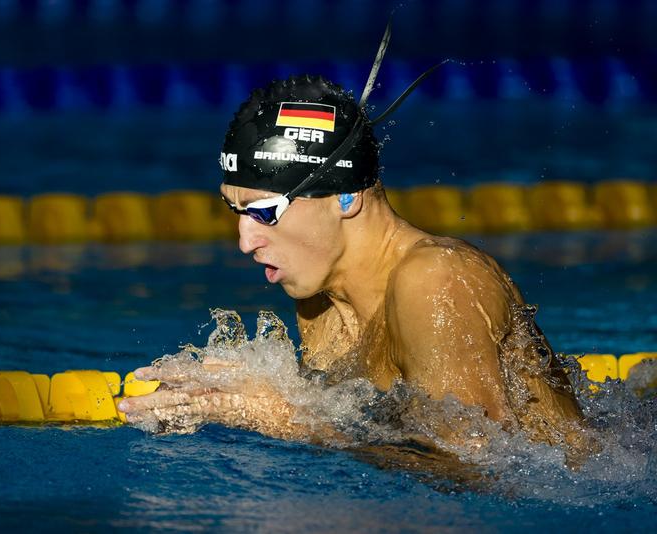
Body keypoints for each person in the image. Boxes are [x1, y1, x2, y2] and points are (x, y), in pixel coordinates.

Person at [117, 24, 587, 455]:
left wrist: (285, 419)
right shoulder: (322, 301)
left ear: (344, 197)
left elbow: (483, 466)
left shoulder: (436, 279)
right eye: (236, 212)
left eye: (263, 211)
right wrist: (237, 392)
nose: (245, 241)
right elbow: (370, 434)